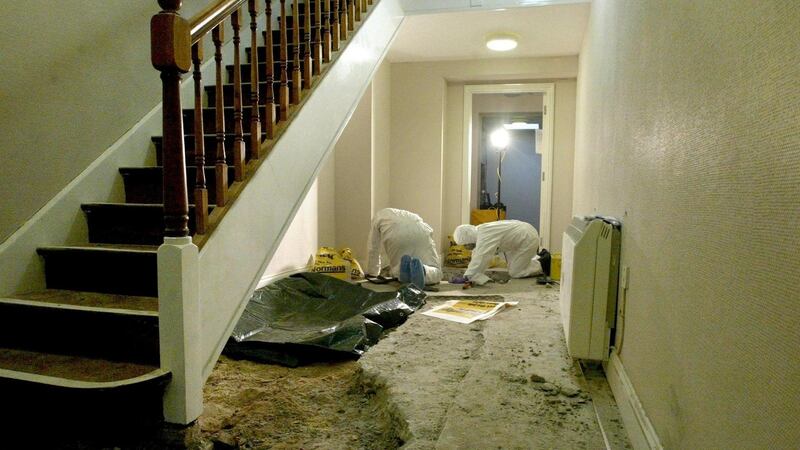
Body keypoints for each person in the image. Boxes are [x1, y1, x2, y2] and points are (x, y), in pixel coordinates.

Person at [366, 208, 443, 289]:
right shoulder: (407, 214)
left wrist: (372, 273)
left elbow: (373, 247)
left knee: (397, 268)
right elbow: (428, 229)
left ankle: (402, 270)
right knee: (436, 271)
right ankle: (423, 270)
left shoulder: (378, 218)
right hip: (421, 231)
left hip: (395, 234)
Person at [452, 220, 544, 286]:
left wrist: (468, 276)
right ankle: (539, 258)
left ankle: (544, 263)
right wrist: (468, 274)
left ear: (468, 238)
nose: (467, 247)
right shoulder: (481, 231)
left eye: (466, 244)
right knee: (512, 266)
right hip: (521, 237)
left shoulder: (484, 235)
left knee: (515, 272)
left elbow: (481, 256)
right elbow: (477, 254)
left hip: (527, 238)